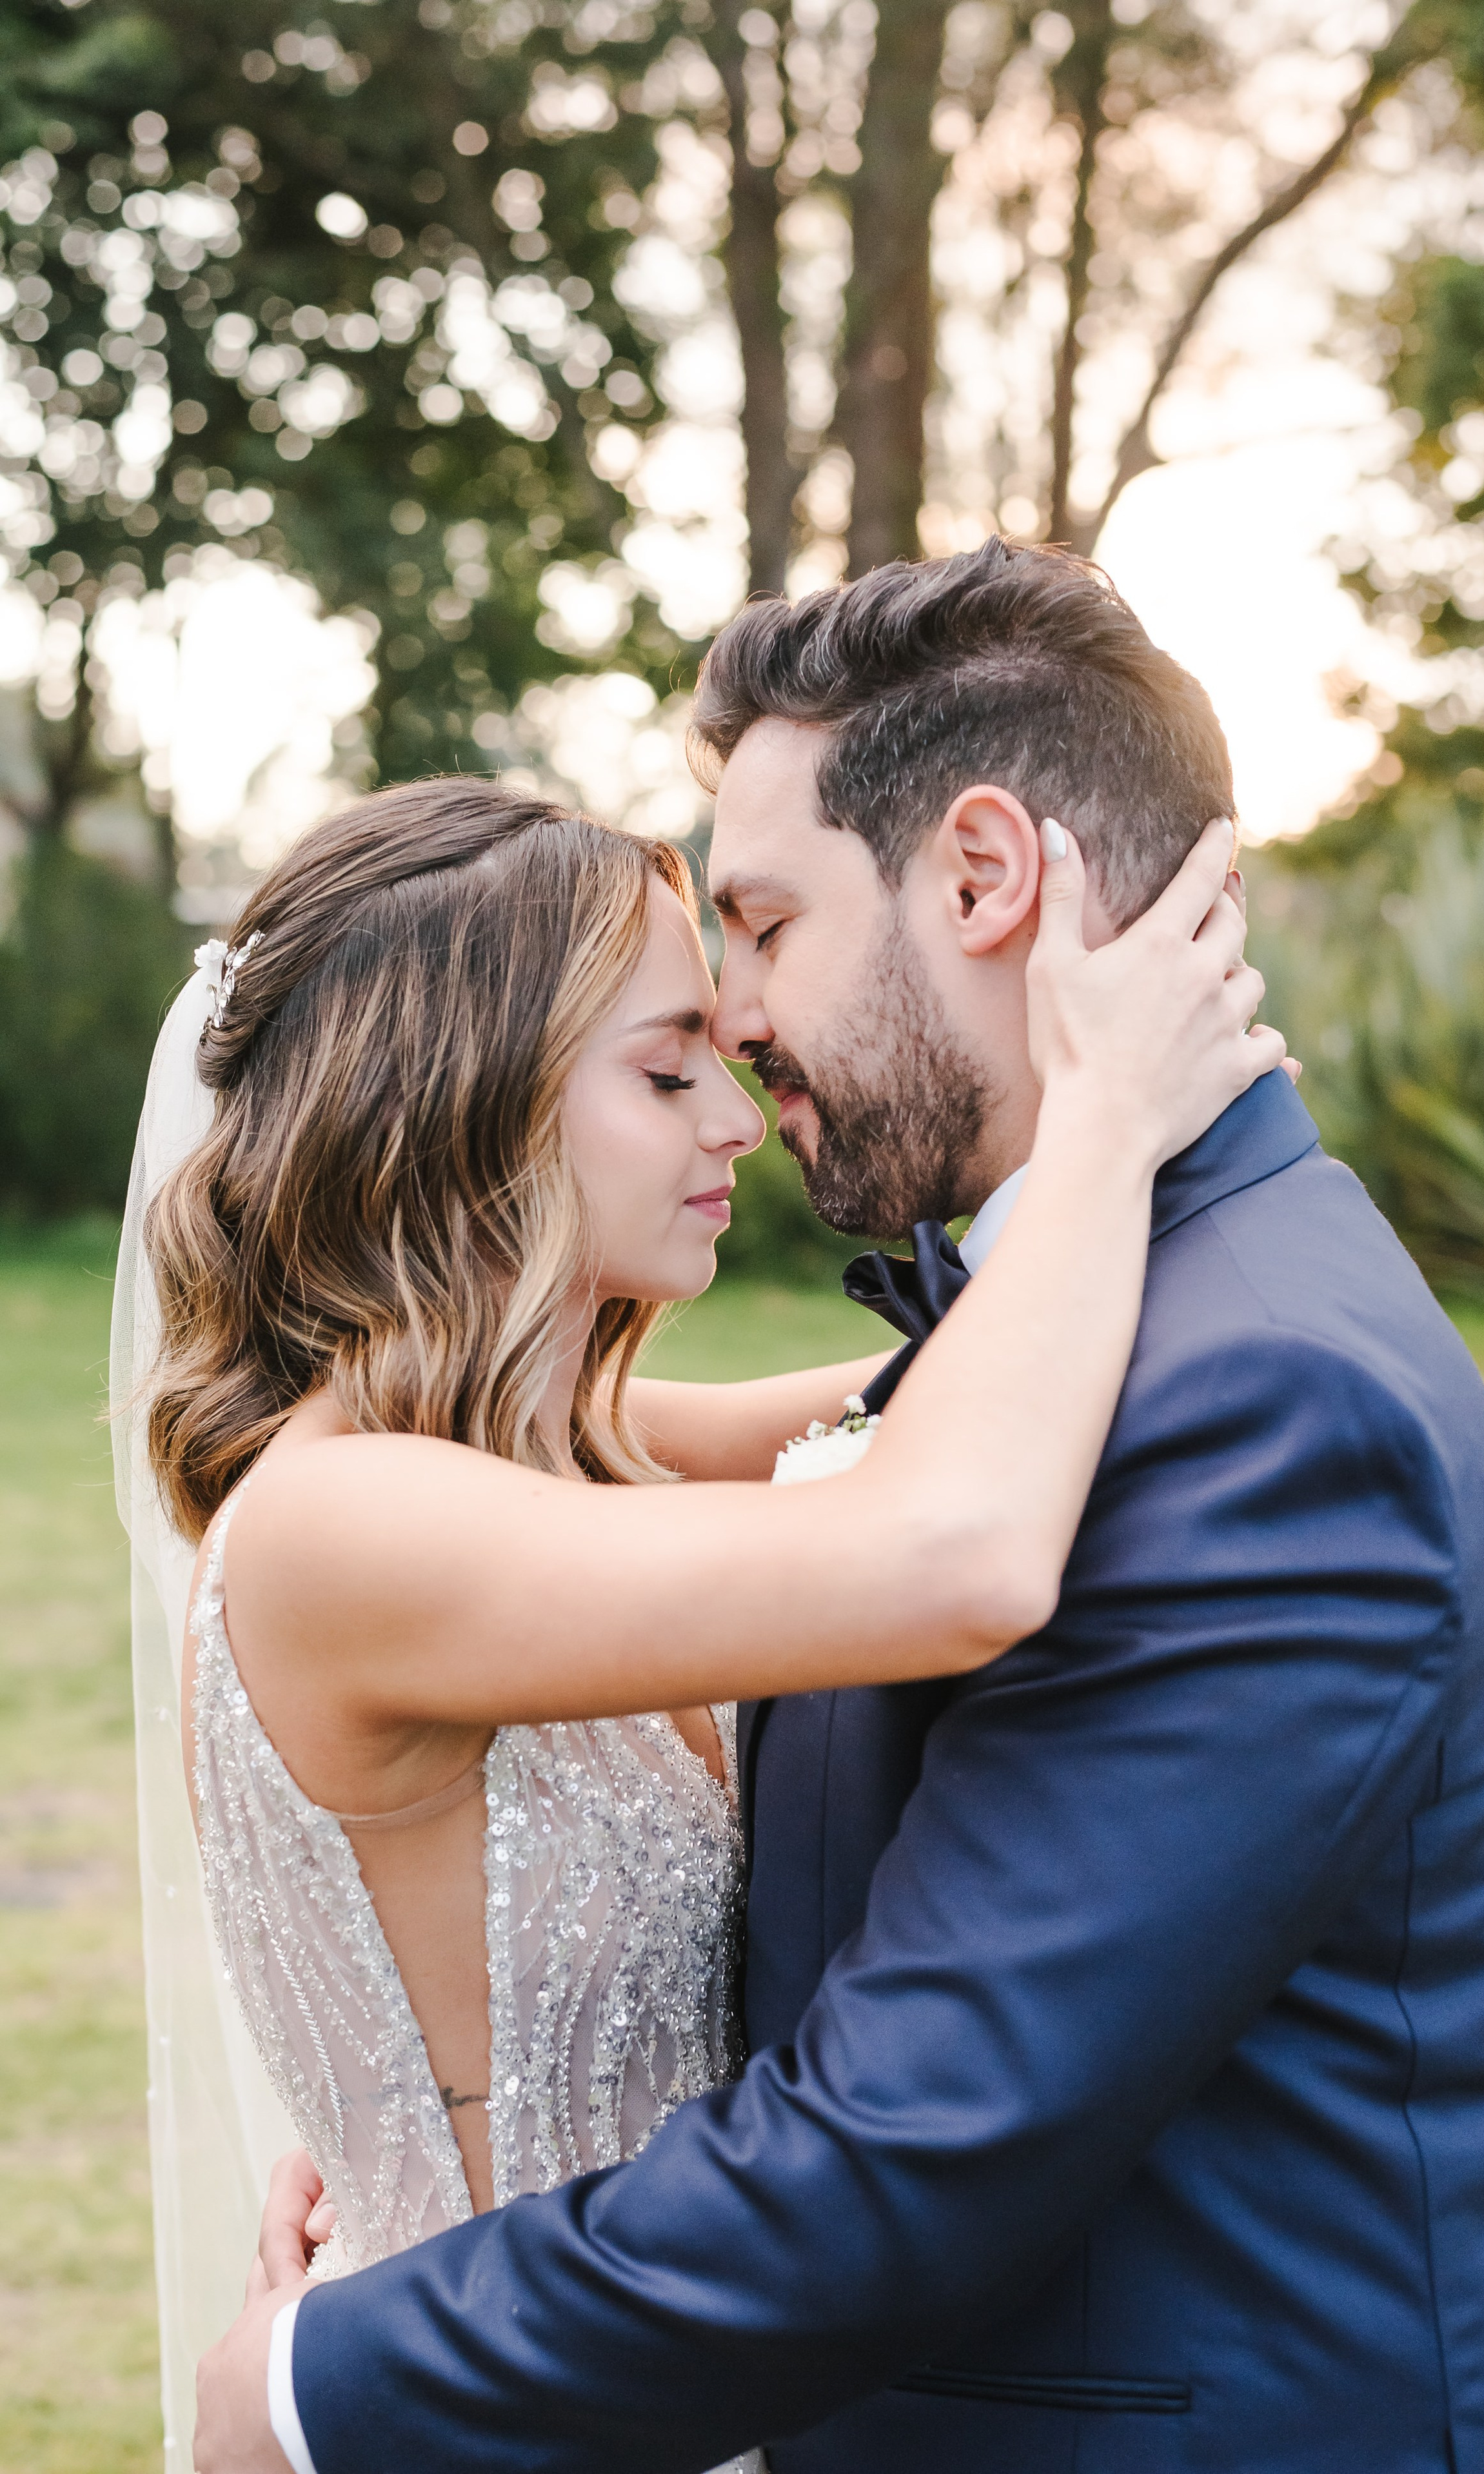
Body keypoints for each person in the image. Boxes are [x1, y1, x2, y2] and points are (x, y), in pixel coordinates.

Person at [198, 542, 1484, 2474]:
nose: (746, 1041)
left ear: (987, 877)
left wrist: (308, 2385)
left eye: (760, 927)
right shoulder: (1055, 1340)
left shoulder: (1257, 1397)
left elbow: (909, 2137)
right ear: (484, 1105)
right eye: (671, 1045)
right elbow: (919, 1503)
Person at [111, 758, 1272, 2465]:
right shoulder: (344, 1524)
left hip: (638, 2374)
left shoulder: (557, 1451)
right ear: (464, 1105)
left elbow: (920, 1408)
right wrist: (1105, 1116)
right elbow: (954, 1543)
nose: (734, 1116)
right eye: (666, 1070)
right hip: (478, 2395)